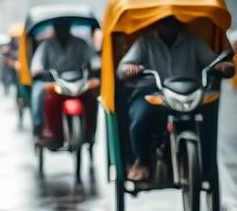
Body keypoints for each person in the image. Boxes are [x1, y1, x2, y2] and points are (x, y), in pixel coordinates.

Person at [118, 16, 234, 181]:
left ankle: (207, 166)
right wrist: (129, 69)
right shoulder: (145, 42)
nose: (168, 27)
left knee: (209, 112)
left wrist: (221, 66)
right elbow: (122, 68)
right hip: (153, 94)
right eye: (164, 22)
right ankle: (141, 160)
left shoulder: (193, 42)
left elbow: (211, 62)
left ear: (179, 23)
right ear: (157, 24)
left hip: (190, 94)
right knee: (140, 118)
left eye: (172, 22)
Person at [30, 20, 96, 140]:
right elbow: (36, 66)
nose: (62, 30)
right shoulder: (46, 45)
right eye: (59, 27)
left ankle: (90, 132)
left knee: (92, 95)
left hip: (78, 81)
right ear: (55, 28)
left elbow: (94, 59)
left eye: (64, 27)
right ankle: (39, 127)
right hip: (53, 81)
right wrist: (40, 72)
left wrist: (96, 68)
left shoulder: (81, 43)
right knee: (39, 92)